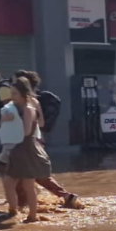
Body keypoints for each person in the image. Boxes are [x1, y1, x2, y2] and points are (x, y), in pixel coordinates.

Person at [12, 70, 79, 208]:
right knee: (32, 175)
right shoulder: (35, 102)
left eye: (14, 82)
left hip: (26, 143)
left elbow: (24, 129)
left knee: (29, 175)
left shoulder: (25, 104)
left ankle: (23, 208)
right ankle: (26, 204)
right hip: (37, 140)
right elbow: (42, 123)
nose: (11, 85)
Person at [1, 77, 52, 223]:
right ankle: (13, 211)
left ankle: (33, 215)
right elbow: (3, 125)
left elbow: (26, 131)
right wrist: (5, 120)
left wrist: (13, 121)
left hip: (26, 148)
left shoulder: (29, 109)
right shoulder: (12, 108)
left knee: (28, 185)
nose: (13, 97)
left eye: (15, 93)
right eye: (12, 93)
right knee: (8, 182)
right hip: (16, 148)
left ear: (24, 94)